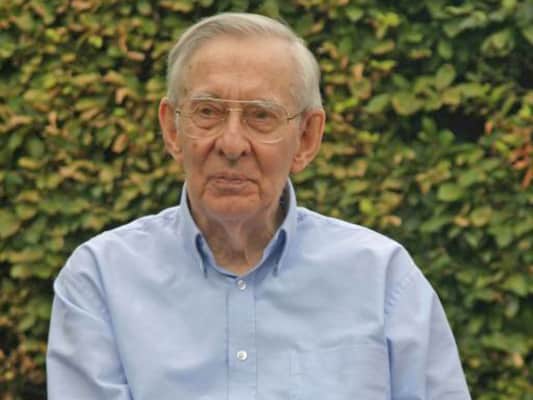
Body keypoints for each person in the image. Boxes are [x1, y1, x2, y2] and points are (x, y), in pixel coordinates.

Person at [46, 12, 471, 400]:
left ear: (307, 138)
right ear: (172, 130)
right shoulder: (100, 278)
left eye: (261, 116)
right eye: (208, 112)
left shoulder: (382, 278)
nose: (232, 144)